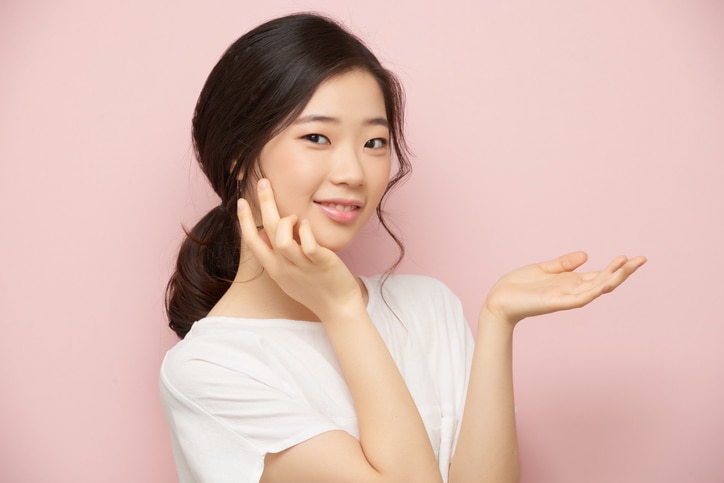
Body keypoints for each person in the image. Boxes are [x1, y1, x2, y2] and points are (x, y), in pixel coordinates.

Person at [160, 12, 646, 483]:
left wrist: (497, 320)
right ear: (240, 157)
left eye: (374, 142)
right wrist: (342, 310)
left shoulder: (426, 307)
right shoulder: (208, 370)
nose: (353, 172)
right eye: (317, 137)